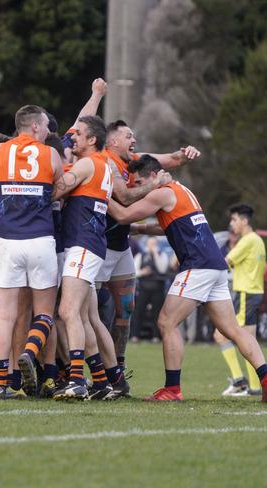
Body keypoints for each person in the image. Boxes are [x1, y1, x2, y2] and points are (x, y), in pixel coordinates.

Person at [107, 155, 267, 402]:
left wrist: (100, 191)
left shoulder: (161, 192)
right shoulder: (181, 190)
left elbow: (124, 215)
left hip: (198, 265)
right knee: (233, 329)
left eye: (138, 182)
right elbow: (168, 226)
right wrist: (140, 230)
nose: (135, 188)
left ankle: (172, 389)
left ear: (153, 176)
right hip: (214, 265)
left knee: (166, 322)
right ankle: (265, 379)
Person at [99, 119, 200, 371]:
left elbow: (172, 160)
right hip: (97, 247)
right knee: (90, 312)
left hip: (120, 246)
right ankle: (84, 372)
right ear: (113, 141)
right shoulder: (105, 161)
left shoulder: (133, 158)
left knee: (125, 310)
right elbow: (122, 198)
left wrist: (187, 153)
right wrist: (156, 185)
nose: (133, 140)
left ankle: (117, 369)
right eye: (128, 136)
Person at [0, 105, 63, 400]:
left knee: (5, 316)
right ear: (36, 127)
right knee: (44, 313)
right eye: (46, 126)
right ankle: (30, 351)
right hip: (40, 238)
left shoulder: (0, 150)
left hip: (8, 240)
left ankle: (0, 384)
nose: (49, 132)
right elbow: (59, 186)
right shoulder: (51, 153)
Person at [49, 115, 114, 400]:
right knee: (84, 318)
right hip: (90, 245)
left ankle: (76, 379)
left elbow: (56, 191)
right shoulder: (105, 166)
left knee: (67, 312)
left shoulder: (87, 163)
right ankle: (101, 381)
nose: (72, 137)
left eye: (79, 134)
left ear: (93, 140)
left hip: (82, 245)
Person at [213, 204, 266, 396]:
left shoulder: (247, 241)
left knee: (222, 336)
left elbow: (224, 262)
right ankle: (254, 387)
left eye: (234, 219)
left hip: (245, 294)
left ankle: (240, 381)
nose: (231, 223)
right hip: (254, 293)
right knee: (249, 340)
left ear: (244, 221)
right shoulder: (258, 240)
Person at [130, 237, 169, 342]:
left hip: (158, 288)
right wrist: (142, 272)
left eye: (154, 243)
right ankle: (135, 335)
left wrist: (155, 255)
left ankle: (156, 336)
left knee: (157, 313)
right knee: (139, 311)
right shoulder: (140, 256)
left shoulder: (162, 255)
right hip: (144, 287)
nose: (152, 246)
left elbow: (162, 269)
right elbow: (134, 271)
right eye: (150, 243)